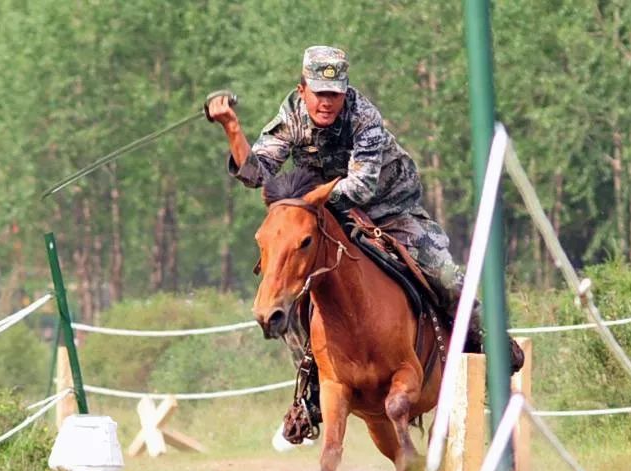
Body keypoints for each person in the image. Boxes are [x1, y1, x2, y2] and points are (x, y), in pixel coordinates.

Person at [207, 45, 524, 395]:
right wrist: (233, 129)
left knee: (444, 276)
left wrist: (307, 202)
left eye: (335, 94)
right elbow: (257, 176)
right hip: (324, 216)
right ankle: (309, 388)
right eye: (319, 93)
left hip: (389, 211)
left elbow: (361, 186)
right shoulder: (291, 116)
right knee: (287, 286)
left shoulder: (364, 117)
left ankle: (491, 347)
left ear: (345, 92)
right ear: (302, 90)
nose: (326, 102)